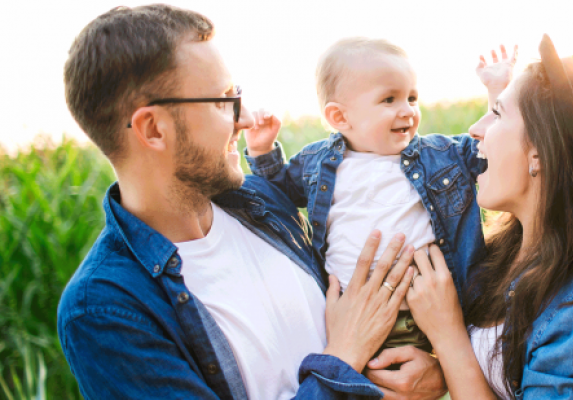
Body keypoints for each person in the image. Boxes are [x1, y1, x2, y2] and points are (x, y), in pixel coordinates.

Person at [57, 5, 445, 399]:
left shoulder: (264, 205)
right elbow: (350, 345)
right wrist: (344, 356)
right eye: (223, 101)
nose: (242, 120)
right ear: (154, 129)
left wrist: (432, 370)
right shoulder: (105, 309)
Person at [396, 34, 573, 399]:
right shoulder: (510, 251)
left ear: (539, 154)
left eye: (497, 113)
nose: (474, 130)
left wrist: (447, 336)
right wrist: (441, 371)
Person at [243, 38, 508, 353]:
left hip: (428, 311)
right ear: (340, 118)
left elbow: (490, 154)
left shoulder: (439, 155)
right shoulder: (319, 163)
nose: (407, 110)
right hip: (350, 316)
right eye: (389, 100)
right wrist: (261, 150)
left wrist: (498, 93)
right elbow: (276, 193)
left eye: (412, 97)